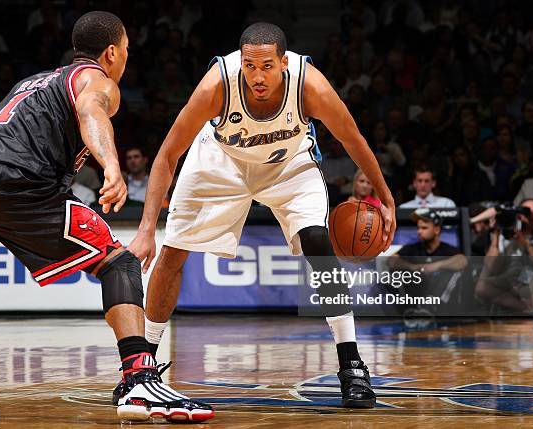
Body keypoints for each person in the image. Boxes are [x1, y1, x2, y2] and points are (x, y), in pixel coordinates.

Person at [0, 11, 211, 423]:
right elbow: (91, 113)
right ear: (113, 52)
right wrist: (111, 166)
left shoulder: (32, 82)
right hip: (16, 182)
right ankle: (140, 381)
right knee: (119, 262)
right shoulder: (97, 79)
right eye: (127, 52)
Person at [127, 22, 397, 411]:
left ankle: (352, 364)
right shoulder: (216, 85)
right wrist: (146, 228)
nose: (257, 76)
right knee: (173, 253)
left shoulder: (310, 86)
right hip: (220, 162)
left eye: (267, 66)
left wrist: (385, 197)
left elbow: (353, 138)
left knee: (318, 240)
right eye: (250, 67)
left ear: (284, 63)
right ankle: (143, 370)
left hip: (288, 164)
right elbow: (168, 154)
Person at [387, 208, 468, 313]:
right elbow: (391, 261)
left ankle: (431, 308)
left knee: (454, 272)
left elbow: (463, 261)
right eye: (418, 228)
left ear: (436, 230)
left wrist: (436, 266)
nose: (419, 231)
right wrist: (412, 267)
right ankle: (410, 310)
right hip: (417, 295)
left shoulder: (447, 249)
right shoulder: (413, 248)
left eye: (424, 228)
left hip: (441, 302)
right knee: (396, 272)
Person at [475, 199, 533, 313]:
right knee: (482, 287)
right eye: (525, 211)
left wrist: (523, 242)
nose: (529, 215)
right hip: (509, 283)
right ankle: (522, 307)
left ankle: (527, 306)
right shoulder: (505, 235)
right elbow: (491, 267)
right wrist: (496, 233)